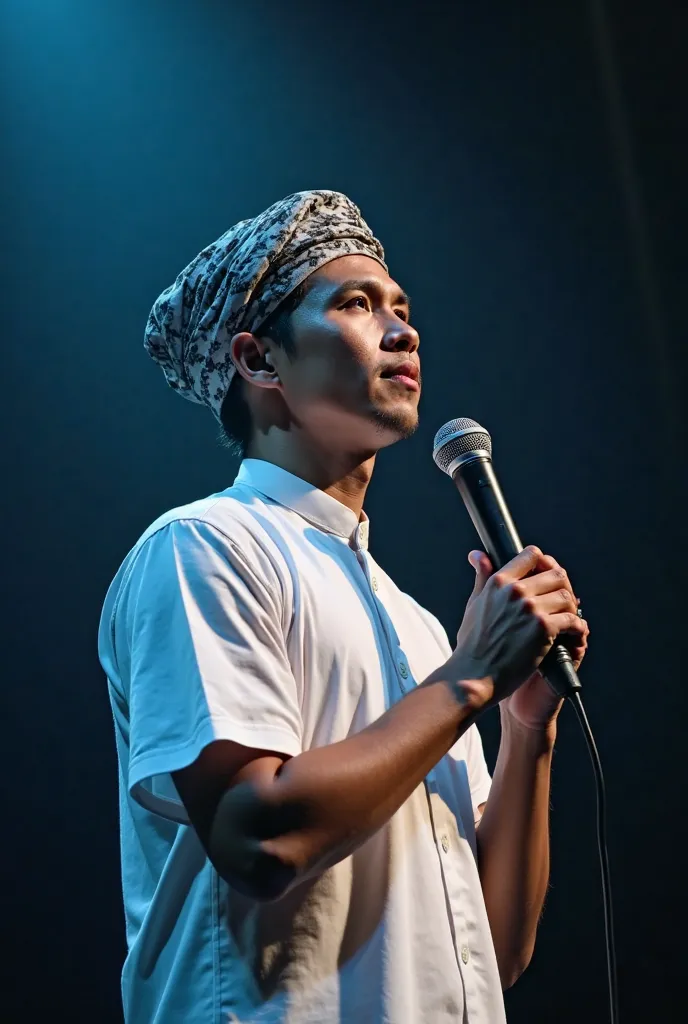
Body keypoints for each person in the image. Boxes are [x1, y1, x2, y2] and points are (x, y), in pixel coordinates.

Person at [98, 190, 588, 1023]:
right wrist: (471, 676)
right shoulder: (205, 546)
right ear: (259, 361)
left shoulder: (420, 624)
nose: (404, 331)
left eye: (402, 308)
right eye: (357, 304)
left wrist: (526, 725)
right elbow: (258, 838)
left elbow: (496, 948)